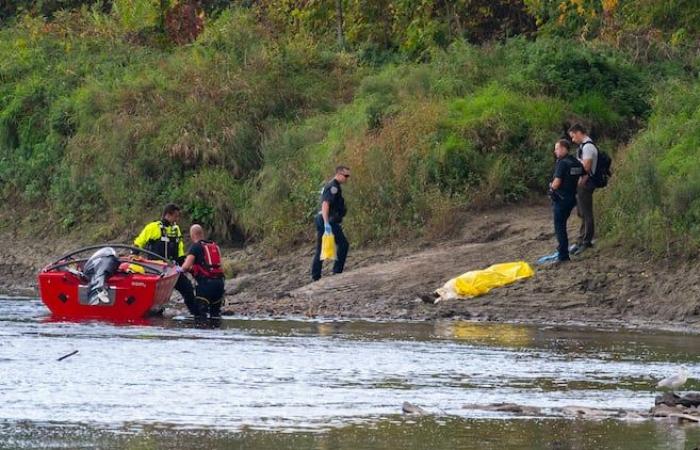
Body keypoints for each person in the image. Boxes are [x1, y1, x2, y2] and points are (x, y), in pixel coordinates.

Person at [133, 203, 197, 316]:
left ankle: (196, 314)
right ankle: (151, 312)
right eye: (176, 216)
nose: (177, 219)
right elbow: (139, 243)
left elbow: (180, 251)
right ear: (168, 215)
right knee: (154, 296)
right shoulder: (153, 227)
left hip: (172, 270)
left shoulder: (176, 229)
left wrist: (186, 266)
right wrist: (134, 255)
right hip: (155, 270)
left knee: (187, 288)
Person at [311, 166, 350, 281]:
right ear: (338, 174)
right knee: (343, 244)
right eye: (346, 175)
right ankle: (337, 271)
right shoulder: (333, 187)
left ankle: (316, 275)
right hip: (327, 220)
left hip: (324, 219)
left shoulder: (333, 186)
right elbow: (325, 204)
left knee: (321, 247)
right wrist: (327, 223)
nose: (347, 178)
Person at [548, 139, 584, 263]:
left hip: (561, 199)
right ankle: (563, 252)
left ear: (564, 149)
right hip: (571, 199)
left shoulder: (562, 163)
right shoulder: (576, 162)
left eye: (557, 148)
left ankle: (563, 255)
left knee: (560, 227)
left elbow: (557, 182)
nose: (555, 151)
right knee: (562, 224)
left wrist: (551, 188)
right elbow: (584, 175)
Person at [181, 224, 225, 319]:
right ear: (202, 233)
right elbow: (221, 266)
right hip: (219, 284)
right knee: (215, 315)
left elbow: (186, 267)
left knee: (201, 316)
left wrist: (179, 269)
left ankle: (201, 331)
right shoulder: (215, 246)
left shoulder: (195, 247)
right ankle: (217, 332)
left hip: (205, 285)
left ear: (192, 235)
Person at [568, 123, 598, 255]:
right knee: (581, 213)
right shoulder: (583, 147)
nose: (573, 140)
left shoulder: (588, 147)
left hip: (586, 184)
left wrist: (573, 172)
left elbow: (586, 168)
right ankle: (582, 239)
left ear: (579, 132)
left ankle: (586, 241)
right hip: (582, 183)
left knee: (586, 213)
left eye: (573, 136)